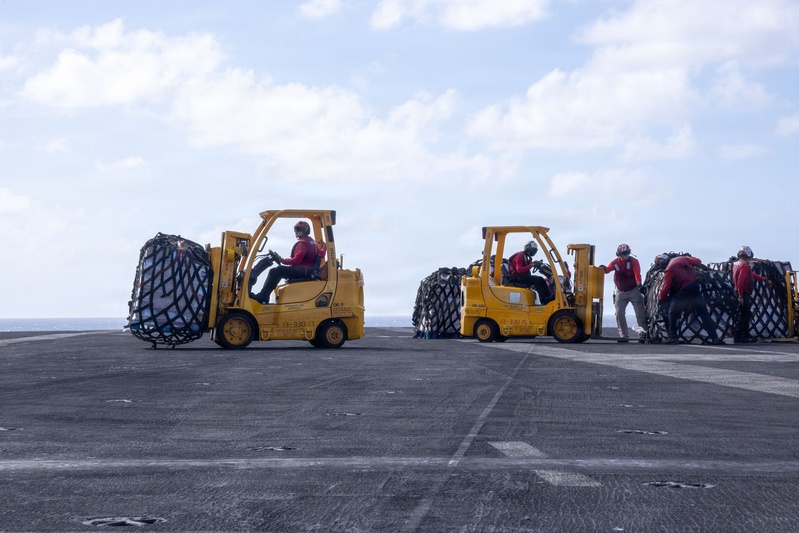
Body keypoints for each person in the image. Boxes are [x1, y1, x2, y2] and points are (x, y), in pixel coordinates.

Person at [656, 253, 722, 345]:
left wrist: (661, 299)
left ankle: (673, 337)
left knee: (672, 312)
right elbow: (698, 261)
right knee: (703, 313)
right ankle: (714, 338)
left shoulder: (669, 270)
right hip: (695, 287)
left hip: (684, 290)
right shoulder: (681, 258)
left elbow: (666, 287)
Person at [252, 221, 320, 304]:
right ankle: (264, 296)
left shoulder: (303, 243)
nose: (295, 231)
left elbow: (296, 260)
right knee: (276, 270)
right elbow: (321, 254)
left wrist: (282, 260)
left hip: (302, 271)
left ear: (305, 230)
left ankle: (263, 296)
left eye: (298, 229)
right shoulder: (311, 241)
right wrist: (324, 248)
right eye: (295, 229)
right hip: (307, 270)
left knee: (276, 271)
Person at [601, 244, 647, 343]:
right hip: (620, 291)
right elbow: (608, 270)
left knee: (640, 313)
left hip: (634, 290)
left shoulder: (634, 261)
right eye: (623, 253)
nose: (626, 255)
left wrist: (639, 283)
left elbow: (637, 273)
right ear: (619, 254)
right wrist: (602, 269)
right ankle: (623, 335)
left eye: (627, 253)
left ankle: (643, 334)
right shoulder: (615, 262)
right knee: (619, 313)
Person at [732, 245, 768, 343]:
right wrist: (740, 296)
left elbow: (751, 275)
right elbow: (740, 281)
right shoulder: (744, 265)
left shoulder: (737, 264)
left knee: (744, 314)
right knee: (745, 314)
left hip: (740, 291)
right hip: (743, 292)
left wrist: (763, 279)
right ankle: (741, 336)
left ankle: (743, 335)